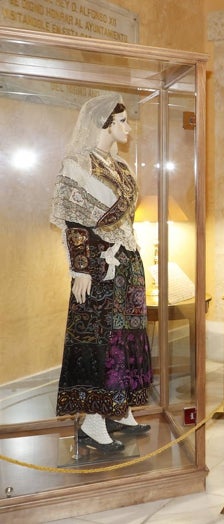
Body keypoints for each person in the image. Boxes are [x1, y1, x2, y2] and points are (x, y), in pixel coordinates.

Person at [51, 94, 152, 453]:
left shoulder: (121, 166)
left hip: (126, 264)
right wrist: (80, 268)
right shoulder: (78, 164)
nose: (128, 127)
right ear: (103, 124)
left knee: (125, 339)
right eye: (122, 121)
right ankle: (93, 421)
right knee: (102, 342)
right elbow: (75, 221)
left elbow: (126, 220)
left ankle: (118, 408)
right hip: (97, 267)